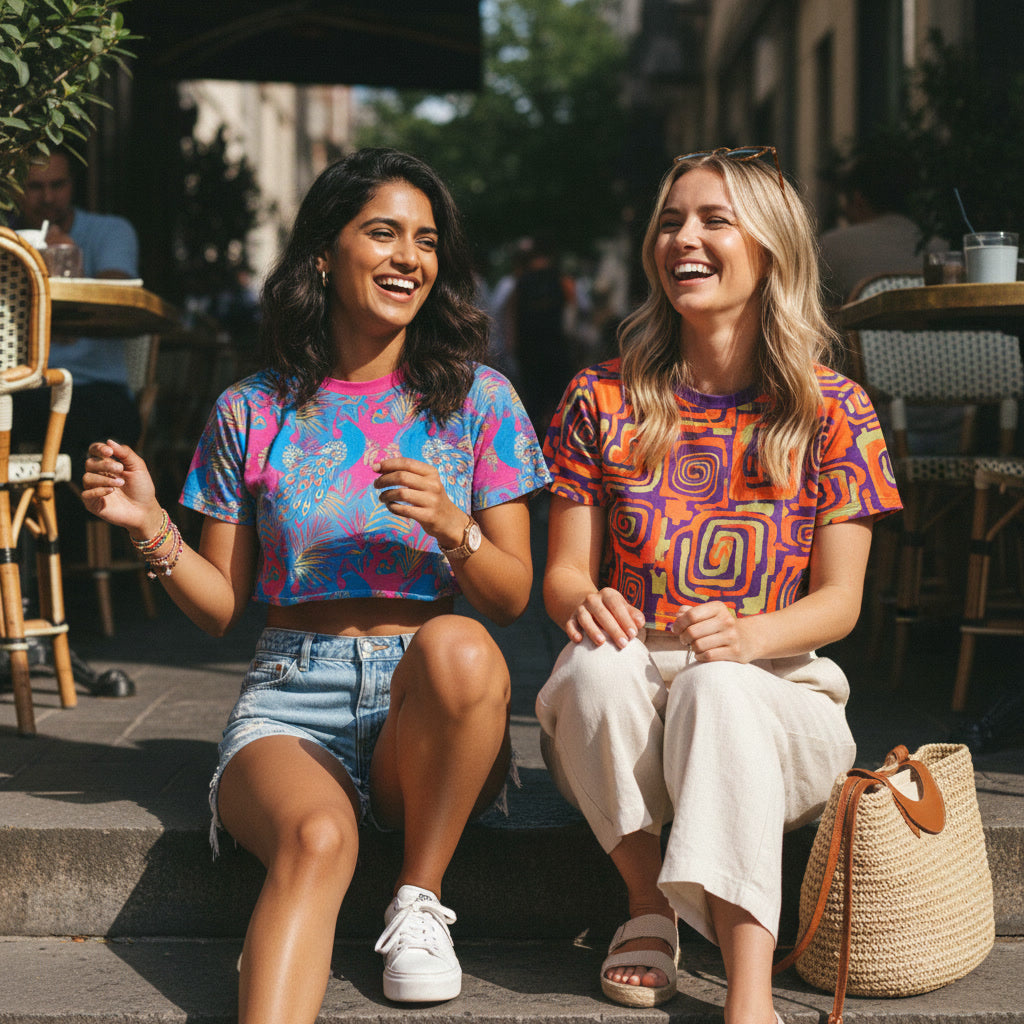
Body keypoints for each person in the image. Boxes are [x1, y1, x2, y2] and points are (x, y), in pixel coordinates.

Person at [80, 148, 551, 1020]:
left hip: (432, 709)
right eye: (383, 232)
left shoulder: (481, 401)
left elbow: (514, 597)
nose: (409, 256)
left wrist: (455, 527)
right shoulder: (250, 408)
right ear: (324, 254)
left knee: (462, 644)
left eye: (427, 240)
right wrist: (151, 526)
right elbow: (221, 609)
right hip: (291, 695)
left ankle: (419, 898)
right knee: (318, 838)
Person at [535, 148, 902, 1016]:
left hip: (780, 696)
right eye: (670, 221)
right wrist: (583, 602)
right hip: (628, 709)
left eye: (712, 220)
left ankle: (747, 994)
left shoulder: (833, 408)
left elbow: (840, 604)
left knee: (720, 689)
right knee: (590, 667)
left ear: (769, 248)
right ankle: (648, 901)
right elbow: (559, 576)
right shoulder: (601, 397)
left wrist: (749, 637)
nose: (683, 239)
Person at [12, 147, 142, 469]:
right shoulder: (8, 239)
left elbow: (117, 300)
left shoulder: (110, 231)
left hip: (93, 387)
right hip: (21, 387)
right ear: (15, 191)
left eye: (58, 185)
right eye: (35, 187)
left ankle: (55, 515)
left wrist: (69, 264)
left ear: (72, 185)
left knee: (91, 435)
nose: (47, 197)